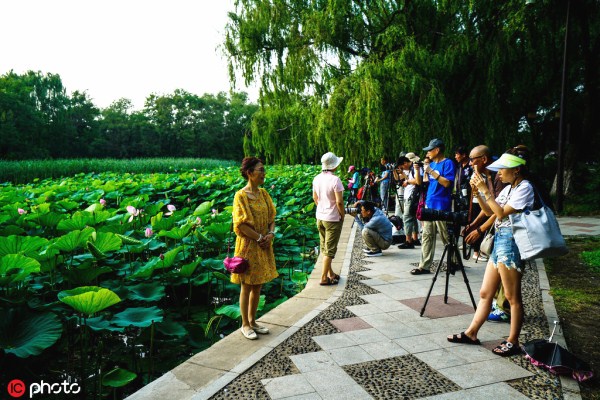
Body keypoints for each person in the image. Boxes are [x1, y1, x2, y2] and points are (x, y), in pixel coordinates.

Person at [447, 145, 534, 357]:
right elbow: (490, 212)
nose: (499, 172)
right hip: (500, 240)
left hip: (512, 243)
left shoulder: (525, 188)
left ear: (516, 170)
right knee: (486, 292)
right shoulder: (509, 188)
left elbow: (502, 214)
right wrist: (480, 192)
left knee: (513, 298)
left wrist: (486, 191)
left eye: (503, 169)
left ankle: (513, 340)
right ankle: (472, 332)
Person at [232, 157, 278, 340]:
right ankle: (244, 324)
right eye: (260, 170)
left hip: (264, 244)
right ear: (249, 173)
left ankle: (253, 321)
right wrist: (260, 237)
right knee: (246, 285)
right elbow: (240, 225)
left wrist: (271, 235)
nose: (264, 174)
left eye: (263, 170)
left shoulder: (264, 193)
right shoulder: (240, 196)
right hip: (248, 246)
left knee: (258, 284)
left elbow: (272, 217)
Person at [463, 145, 510, 323]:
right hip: (500, 226)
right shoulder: (488, 176)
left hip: (509, 229)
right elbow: (490, 208)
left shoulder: (500, 177)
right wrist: (473, 223)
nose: (470, 163)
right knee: (497, 269)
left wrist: (480, 230)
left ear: (483, 159)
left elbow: (500, 211)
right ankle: (498, 304)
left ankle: (505, 308)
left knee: (506, 270)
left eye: (473, 159)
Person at [410, 138, 456, 275]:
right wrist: (419, 171)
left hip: (441, 205)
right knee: (427, 235)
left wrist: (431, 172)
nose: (428, 153)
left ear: (437, 150)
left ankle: (453, 261)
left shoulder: (447, 163)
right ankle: (424, 266)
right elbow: (423, 183)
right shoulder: (431, 166)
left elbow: (447, 183)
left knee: (445, 236)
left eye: (430, 150)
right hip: (429, 203)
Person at [313, 152, 345, 286]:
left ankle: (331, 273)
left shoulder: (316, 178)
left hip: (320, 217)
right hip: (332, 219)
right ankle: (323, 278)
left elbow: (315, 198)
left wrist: (322, 208)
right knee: (330, 251)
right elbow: (339, 202)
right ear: (334, 166)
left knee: (324, 248)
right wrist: (342, 215)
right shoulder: (335, 180)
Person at [398, 153, 421, 249]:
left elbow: (416, 181)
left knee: (406, 217)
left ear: (405, 163)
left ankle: (408, 241)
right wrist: (404, 176)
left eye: (402, 166)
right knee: (413, 217)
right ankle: (415, 238)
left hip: (411, 196)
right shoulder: (412, 169)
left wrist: (407, 181)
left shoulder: (415, 168)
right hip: (411, 195)